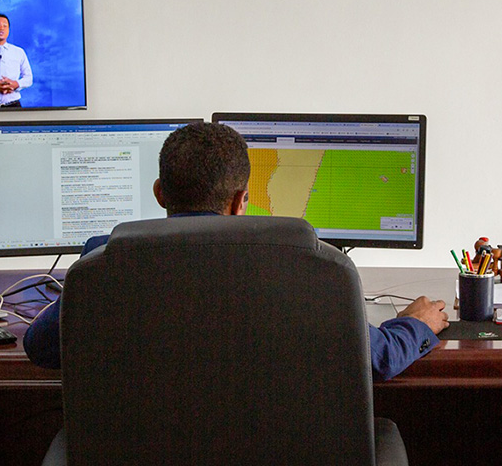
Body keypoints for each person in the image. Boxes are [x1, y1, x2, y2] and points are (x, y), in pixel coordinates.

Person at [24, 122, 449, 381]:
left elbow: (39, 348)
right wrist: (415, 323)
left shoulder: (103, 263)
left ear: (159, 193)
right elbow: (379, 360)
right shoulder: (303, 269)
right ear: (241, 200)